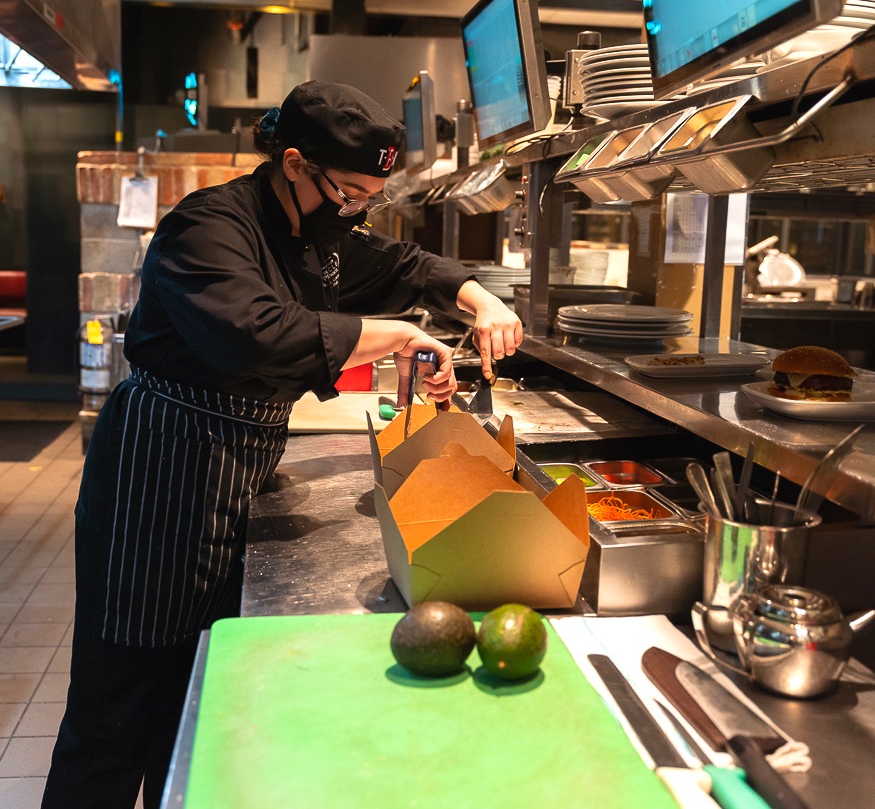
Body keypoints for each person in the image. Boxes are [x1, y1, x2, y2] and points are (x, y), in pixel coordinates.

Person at [43, 80, 523, 808]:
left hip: (230, 471)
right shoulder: (207, 227)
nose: (356, 209)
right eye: (349, 191)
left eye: (370, 196)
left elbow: (404, 268)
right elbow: (254, 333)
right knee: (120, 704)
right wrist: (394, 333)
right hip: (160, 471)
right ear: (294, 164)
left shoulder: (316, 233)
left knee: (192, 694)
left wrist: (480, 298)